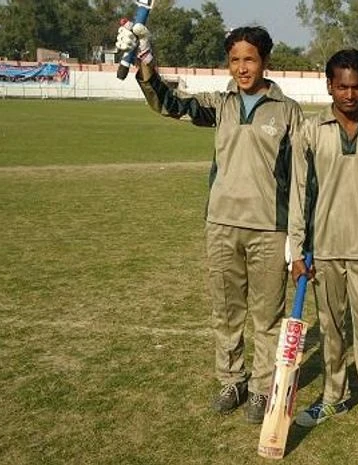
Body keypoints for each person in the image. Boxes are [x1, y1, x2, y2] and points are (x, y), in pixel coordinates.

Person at [116, 24, 304, 424]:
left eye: (249, 58)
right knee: (226, 311)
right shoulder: (221, 104)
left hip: (270, 229)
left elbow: (303, 179)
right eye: (235, 60)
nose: (241, 67)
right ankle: (232, 380)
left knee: (267, 315)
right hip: (221, 224)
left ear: (266, 61)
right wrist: (146, 60)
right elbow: (169, 103)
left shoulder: (288, 112)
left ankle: (260, 388)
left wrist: (297, 236)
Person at [287, 49, 358, 447]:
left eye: (356, 86)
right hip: (325, 250)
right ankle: (332, 398)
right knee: (333, 331)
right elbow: (300, 193)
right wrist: (297, 250)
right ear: (329, 86)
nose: (349, 94)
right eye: (342, 86)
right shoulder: (311, 129)